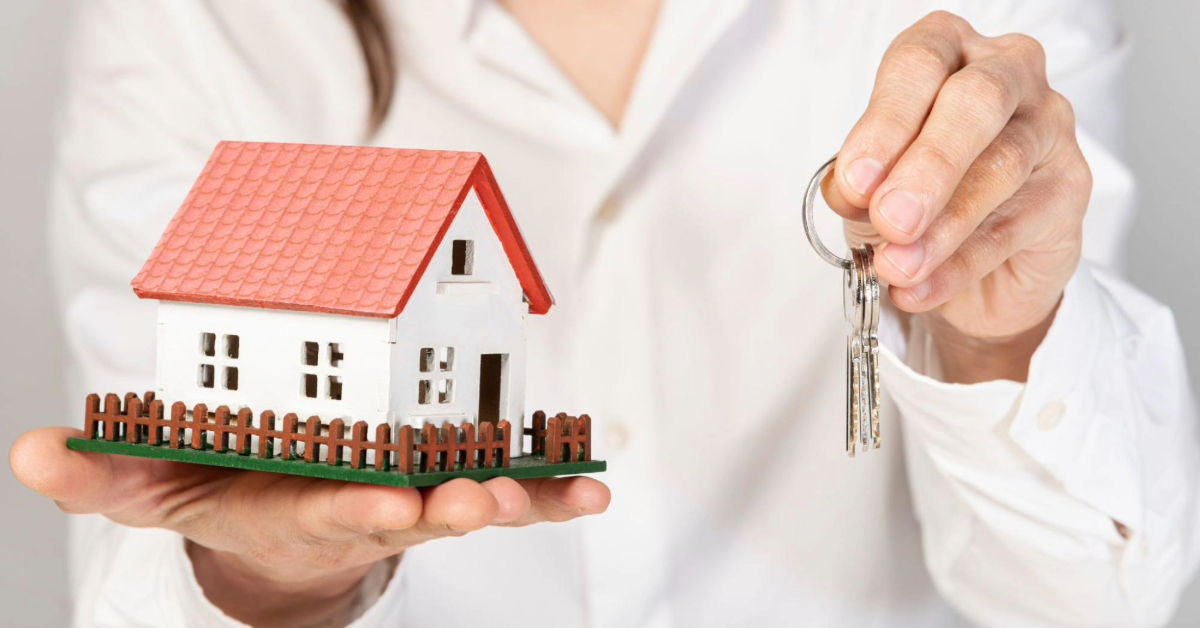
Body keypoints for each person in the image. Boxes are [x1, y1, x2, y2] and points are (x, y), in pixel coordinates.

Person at [10, 0, 1199, 626]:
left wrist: (995, 338)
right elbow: (135, 599)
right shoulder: (190, 23)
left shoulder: (980, 37)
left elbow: (1099, 602)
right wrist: (267, 585)